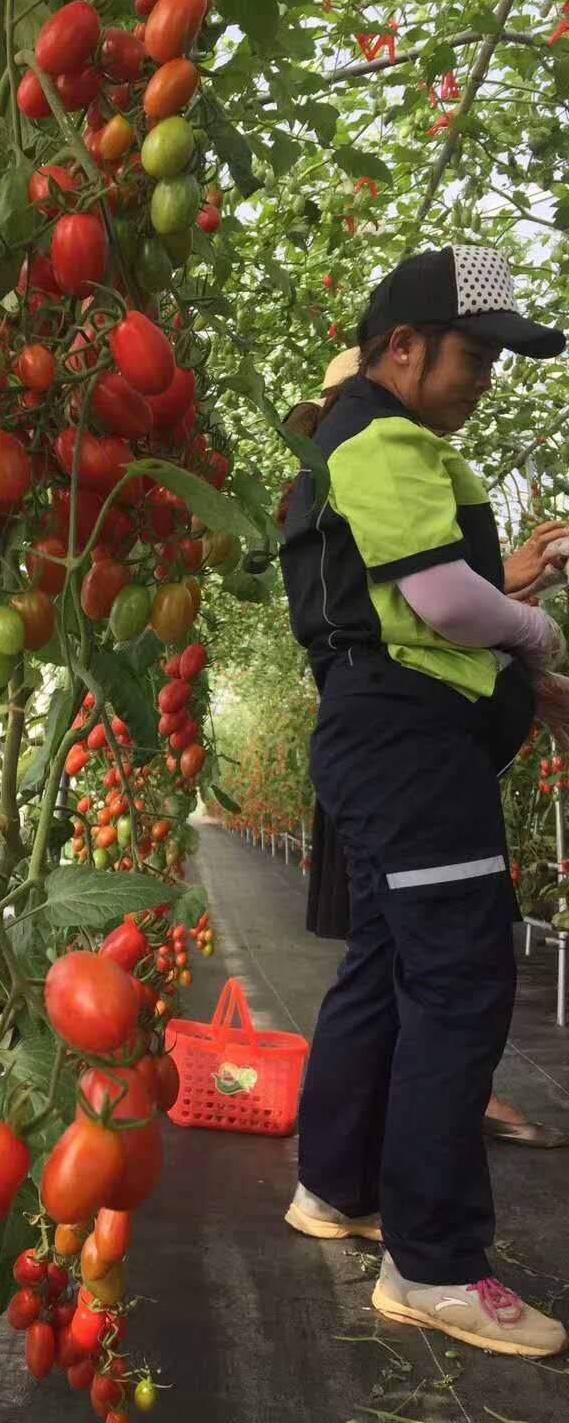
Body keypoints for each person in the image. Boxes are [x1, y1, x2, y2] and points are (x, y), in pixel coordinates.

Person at [278, 245, 569, 1357]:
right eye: (477, 354)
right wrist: (533, 629)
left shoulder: (353, 443)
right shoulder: (386, 437)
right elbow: (447, 605)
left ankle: (335, 1188)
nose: (487, 378)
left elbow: (413, 615)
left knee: (393, 967)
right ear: (404, 347)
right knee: (460, 976)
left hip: (379, 734)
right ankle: (434, 1264)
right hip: (407, 748)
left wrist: (522, 677)